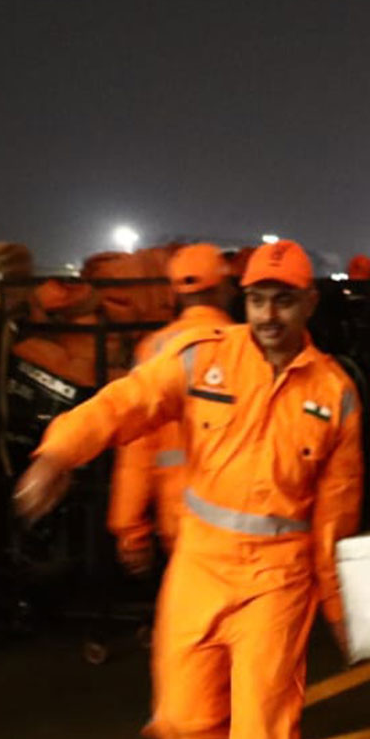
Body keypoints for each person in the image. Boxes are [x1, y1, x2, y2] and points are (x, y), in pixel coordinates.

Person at [15, 240, 362, 739]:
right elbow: (125, 404)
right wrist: (59, 451)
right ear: (243, 300)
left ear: (308, 304)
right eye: (259, 299)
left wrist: (338, 606)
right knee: (181, 724)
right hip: (200, 566)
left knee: (262, 730)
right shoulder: (201, 359)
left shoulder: (334, 393)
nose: (268, 314)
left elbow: (337, 511)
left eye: (284, 300)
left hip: (279, 577)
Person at [108, 244, 235, 574]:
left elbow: (135, 446)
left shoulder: (153, 349)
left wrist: (130, 529)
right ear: (223, 288)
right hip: (237, 518)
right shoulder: (243, 345)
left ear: (175, 292)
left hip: (176, 518)